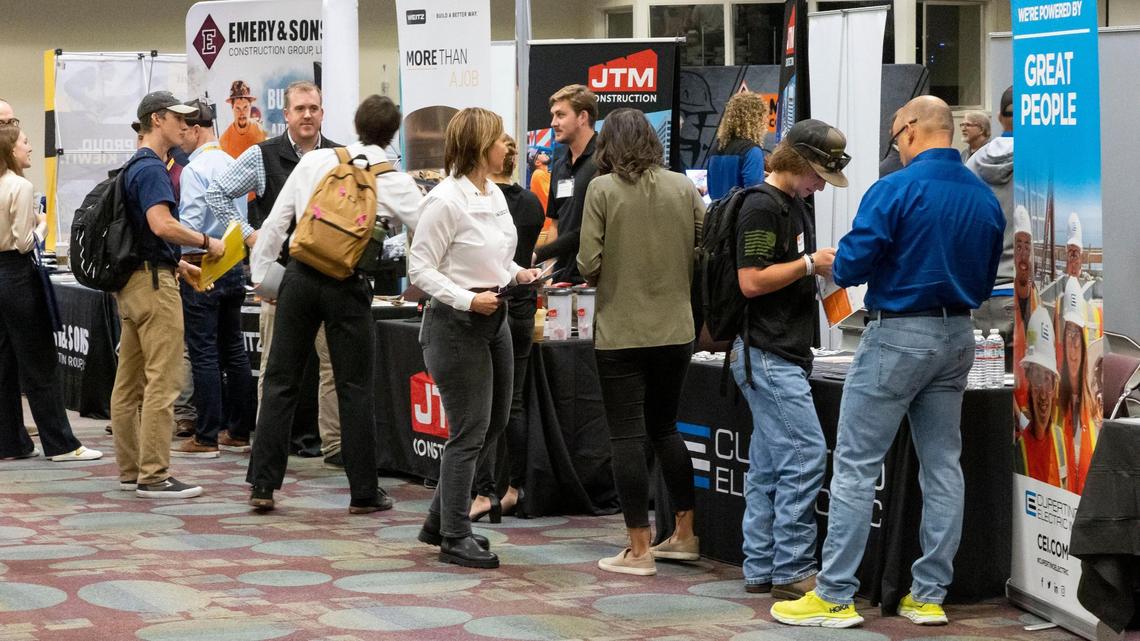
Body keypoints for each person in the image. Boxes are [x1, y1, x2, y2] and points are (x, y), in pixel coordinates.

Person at [771, 96, 1004, 628]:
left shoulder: (894, 189)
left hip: (898, 334)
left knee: (855, 465)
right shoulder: (984, 198)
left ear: (912, 131)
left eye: (897, 137)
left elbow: (852, 264)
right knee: (943, 466)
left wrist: (839, 260)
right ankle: (928, 597)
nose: (896, 147)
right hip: (958, 336)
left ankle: (833, 594)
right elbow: (987, 278)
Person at [246, 95, 422, 513]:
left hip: (299, 277)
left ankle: (263, 485)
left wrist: (262, 276)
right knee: (355, 388)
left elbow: (276, 223)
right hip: (348, 284)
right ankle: (363, 492)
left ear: (356, 125)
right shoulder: (391, 178)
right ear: (392, 133)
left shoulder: (315, 161)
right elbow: (430, 227)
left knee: (280, 382)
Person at [409, 107, 543, 569]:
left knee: (497, 420)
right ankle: (454, 534)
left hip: (495, 317)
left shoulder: (493, 194)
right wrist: (467, 300)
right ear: (477, 146)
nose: (507, 146)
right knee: (468, 432)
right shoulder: (445, 200)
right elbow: (419, 268)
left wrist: (518, 272)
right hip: (455, 323)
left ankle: (437, 521)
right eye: (499, 139)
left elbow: (495, 254)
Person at [575, 108, 705, 576]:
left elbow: (588, 262)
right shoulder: (683, 186)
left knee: (626, 436)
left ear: (608, 144)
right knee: (666, 429)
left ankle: (639, 550)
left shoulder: (601, 189)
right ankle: (685, 535)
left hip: (621, 332)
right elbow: (702, 244)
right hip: (676, 330)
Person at [730, 119, 848, 597]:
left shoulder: (793, 206)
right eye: (817, 174)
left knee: (769, 464)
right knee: (803, 459)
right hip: (767, 352)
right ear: (797, 163)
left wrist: (818, 272)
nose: (821, 184)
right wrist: (808, 264)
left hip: (778, 351)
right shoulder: (762, 206)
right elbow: (750, 281)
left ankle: (761, 565)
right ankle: (794, 568)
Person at [207, 80, 343, 464]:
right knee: (276, 367)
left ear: (322, 112)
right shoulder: (262, 155)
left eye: (313, 108)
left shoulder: (339, 157)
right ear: (286, 115)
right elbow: (218, 193)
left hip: (329, 276)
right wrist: (250, 237)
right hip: (281, 279)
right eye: (299, 109)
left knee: (332, 365)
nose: (306, 115)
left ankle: (334, 446)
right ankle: (271, 446)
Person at [111, 91, 225, 499]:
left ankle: (131, 469)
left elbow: (143, 234)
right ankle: (154, 475)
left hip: (134, 283)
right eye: (179, 118)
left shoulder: (133, 167)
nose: (186, 126)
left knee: (128, 384)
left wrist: (179, 264)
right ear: (157, 119)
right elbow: (161, 224)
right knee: (164, 379)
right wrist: (205, 241)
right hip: (154, 288)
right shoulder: (154, 169)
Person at [0, 125, 102, 462]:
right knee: (40, 362)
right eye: (25, 143)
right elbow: (23, 242)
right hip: (18, 276)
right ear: (10, 150)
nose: (30, 148)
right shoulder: (21, 186)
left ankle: (10, 442)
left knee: (4, 364)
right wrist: (42, 224)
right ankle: (61, 444)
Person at [469, 134, 546, 523]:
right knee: (512, 402)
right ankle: (514, 488)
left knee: (482, 404)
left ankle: (485, 490)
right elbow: (526, 253)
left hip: (488, 306)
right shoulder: (530, 202)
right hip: (522, 308)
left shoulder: (480, 202)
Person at [172, 99, 253, 459]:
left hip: (202, 264)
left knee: (203, 351)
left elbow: (189, 224)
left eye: (182, 130)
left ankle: (205, 437)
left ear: (196, 129)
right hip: (235, 263)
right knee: (233, 349)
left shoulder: (194, 170)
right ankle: (238, 431)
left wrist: (179, 256)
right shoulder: (234, 163)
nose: (178, 138)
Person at [533, 85, 598, 285]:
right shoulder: (560, 166)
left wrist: (539, 253)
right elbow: (555, 223)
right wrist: (548, 274)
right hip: (562, 279)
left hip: (594, 280)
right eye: (553, 116)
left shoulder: (605, 160)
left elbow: (593, 229)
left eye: (560, 115)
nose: (553, 123)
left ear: (582, 117)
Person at [968, 87, 1015, 350]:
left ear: (998, 117)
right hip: (1018, 295)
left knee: (982, 385)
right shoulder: (1042, 163)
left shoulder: (972, 164)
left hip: (978, 294)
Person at [1016, 307, 1067, 488]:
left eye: (1048, 380)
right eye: (1038, 379)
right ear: (1028, 381)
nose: (1044, 394)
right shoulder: (1019, 447)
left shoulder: (1060, 439)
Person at [1057, 278, 1097, 494]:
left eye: (1077, 335)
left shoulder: (1095, 410)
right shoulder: (1055, 408)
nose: (1073, 343)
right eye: (1069, 332)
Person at [706, 91, 769, 200]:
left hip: (717, 214)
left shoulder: (715, 150)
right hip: (741, 215)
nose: (766, 120)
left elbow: (711, 190)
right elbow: (755, 195)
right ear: (755, 119)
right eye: (763, 116)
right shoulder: (752, 151)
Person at [1011, 206, 1040, 431]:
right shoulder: (1005, 303)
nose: (1023, 254)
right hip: (1014, 411)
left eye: (1026, 246)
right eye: (1017, 246)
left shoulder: (1037, 301)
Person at [219, 80, 266, 160]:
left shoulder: (261, 133)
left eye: (245, 107)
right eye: (238, 108)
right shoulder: (224, 140)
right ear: (232, 108)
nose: (242, 113)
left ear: (250, 107)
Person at [529, 148, 550, 213]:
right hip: (548, 221)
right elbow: (551, 197)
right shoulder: (539, 174)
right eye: (540, 154)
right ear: (537, 162)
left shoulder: (545, 174)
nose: (544, 153)